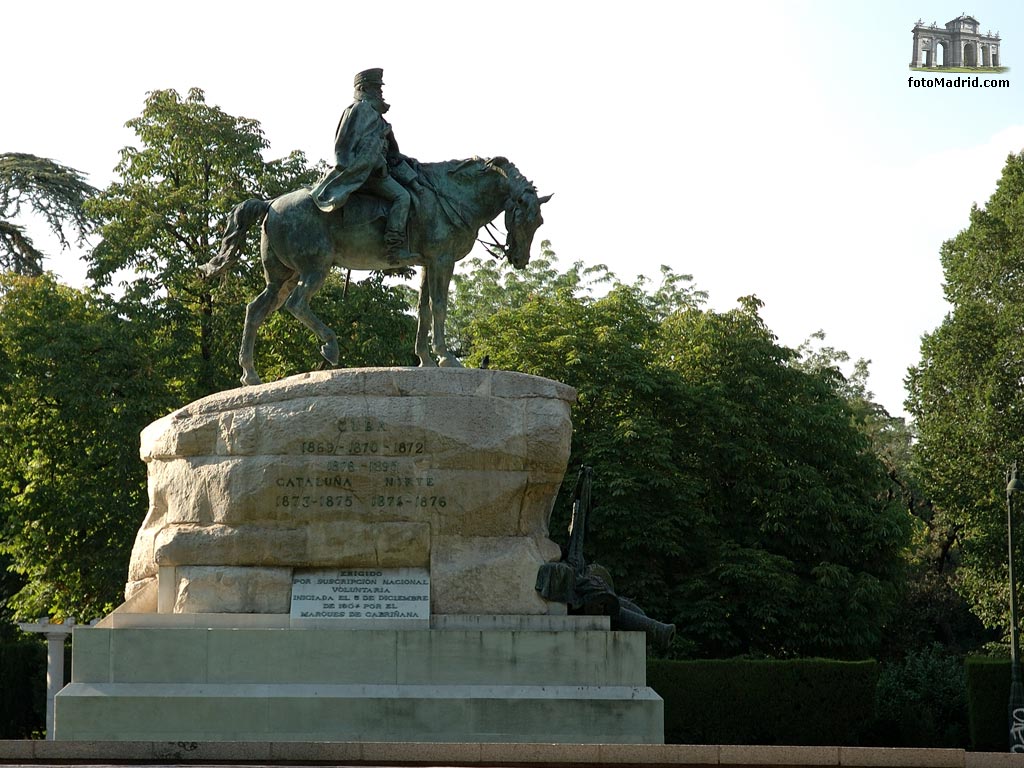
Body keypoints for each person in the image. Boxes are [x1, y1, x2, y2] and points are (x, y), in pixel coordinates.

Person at [310, 68, 420, 264]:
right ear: (363, 88)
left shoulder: (374, 114)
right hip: (367, 173)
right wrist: (376, 164)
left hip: (378, 169)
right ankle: (393, 249)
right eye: (376, 88)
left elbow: (389, 151)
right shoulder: (361, 109)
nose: (380, 92)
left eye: (380, 88)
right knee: (402, 197)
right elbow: (356, 148)